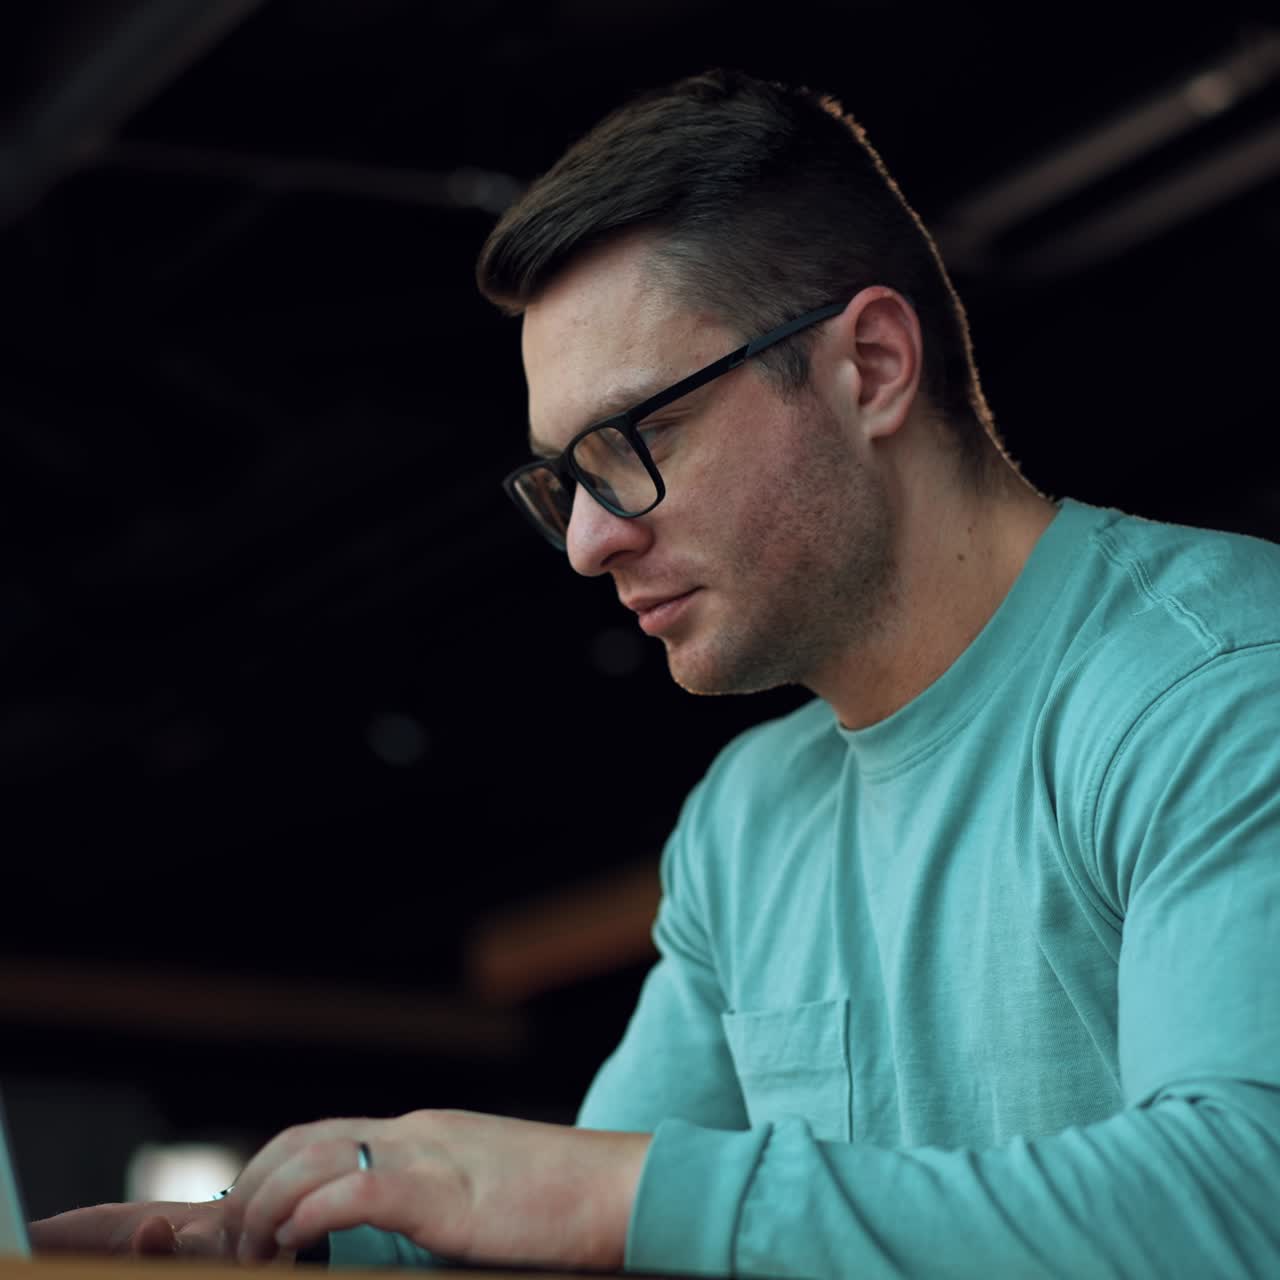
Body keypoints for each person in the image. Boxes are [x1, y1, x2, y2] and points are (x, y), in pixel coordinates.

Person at [31, 68, 1280, 1276]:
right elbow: (578, 1232)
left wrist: (610, 1191)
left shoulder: (1215, 682)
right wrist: (283, 1247)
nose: (586, 538)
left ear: (871, 368)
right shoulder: (745, 822)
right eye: (560, 478)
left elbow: (1245, 1206)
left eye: (634, 437)